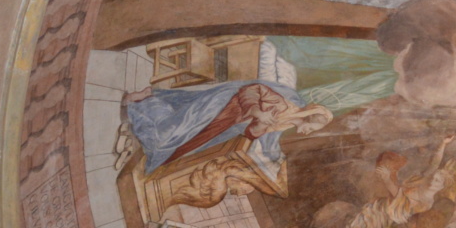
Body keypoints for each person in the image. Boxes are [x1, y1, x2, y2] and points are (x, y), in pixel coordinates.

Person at [124, 80, 333, 174]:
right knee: (176, 132)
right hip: (225, 105)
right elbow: (250, 90)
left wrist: (259, 126)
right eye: (311, 128)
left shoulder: (285, 123)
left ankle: (144, 135)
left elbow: (251, 132)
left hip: (229, 122)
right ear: (307, 118)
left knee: (184, 145)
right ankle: (146, 101)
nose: (307, 132)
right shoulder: (283, 106)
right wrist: (258, 113)